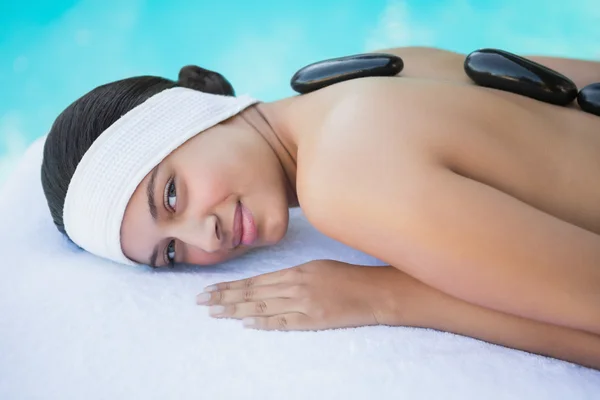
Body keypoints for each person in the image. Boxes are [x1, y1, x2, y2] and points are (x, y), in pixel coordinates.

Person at [41, 46, 600, 369]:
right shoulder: (377, 65)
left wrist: (388, 296)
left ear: (194, 115)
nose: (205, 238)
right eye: (171, 252)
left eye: (170, 195)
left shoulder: (342, 182)